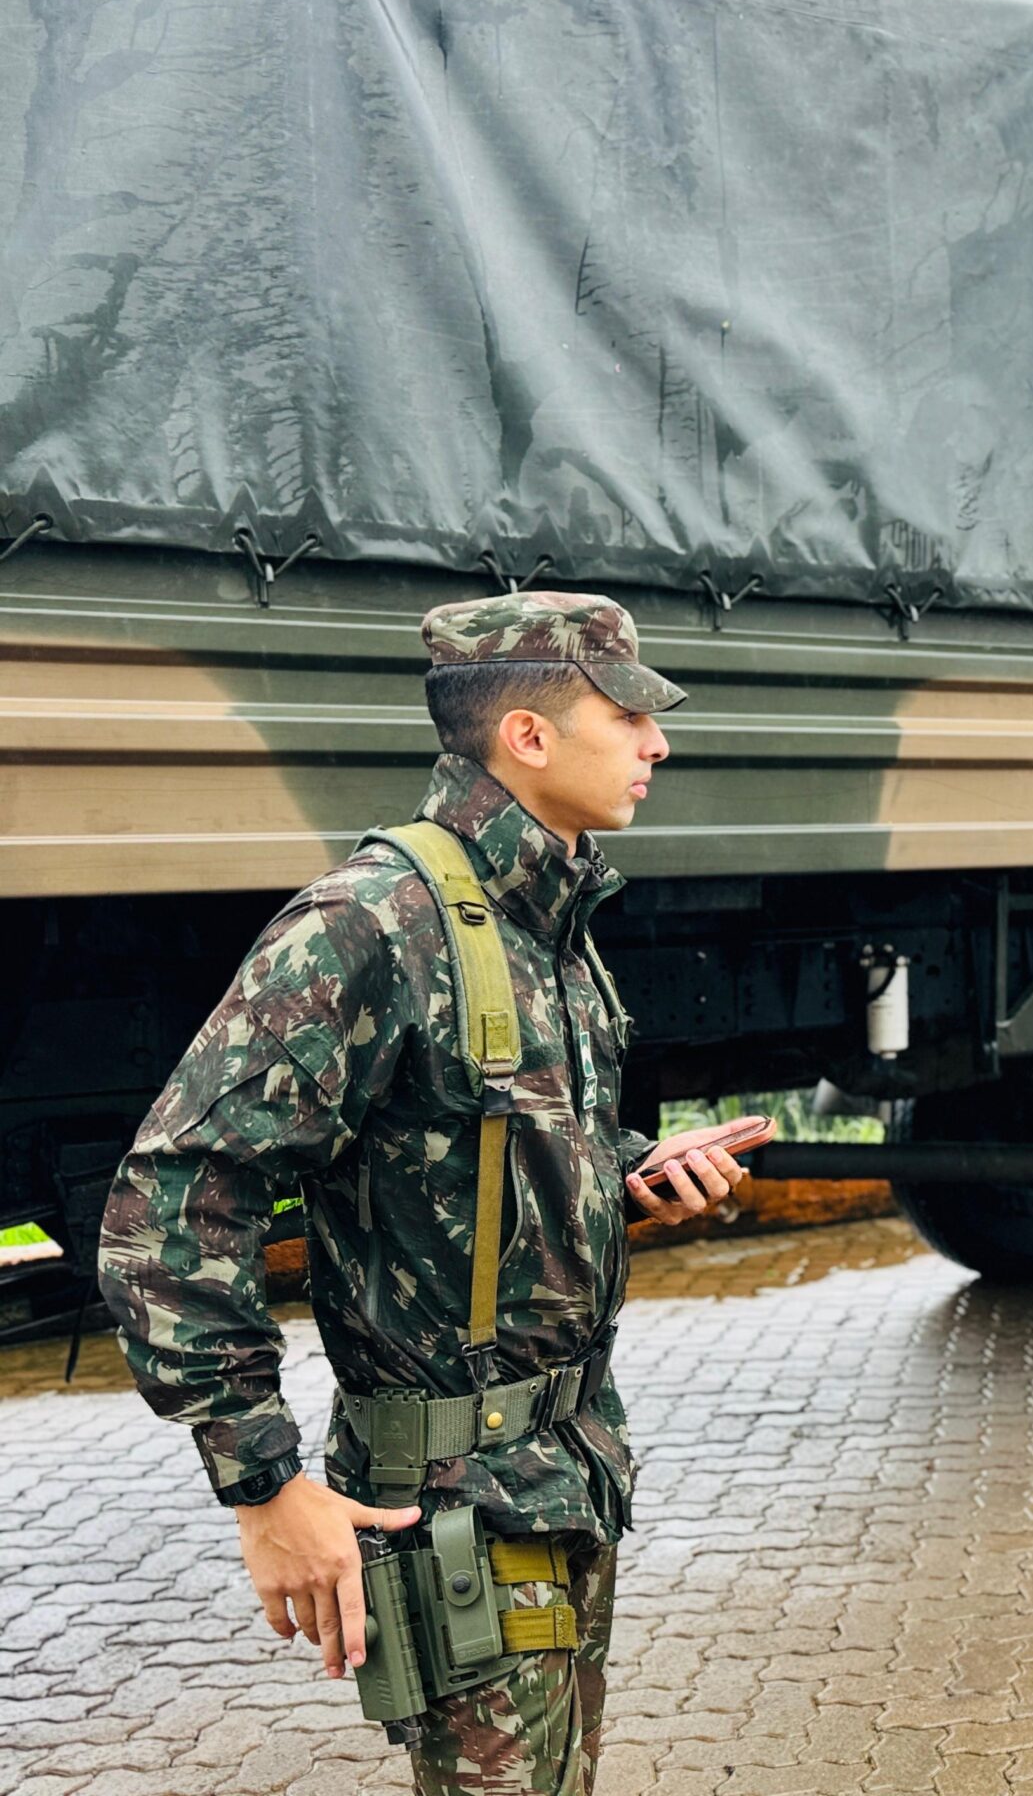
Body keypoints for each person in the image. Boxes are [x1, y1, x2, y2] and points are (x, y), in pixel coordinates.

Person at [96, 591, 762, 1794]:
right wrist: (263, 1486)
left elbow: (470, 1151)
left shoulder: (546, 916)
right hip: (455, 1508)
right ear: (529, 737)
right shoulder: (371, 925)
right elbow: (168, 1212)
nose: (657, 743)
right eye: (629, 715)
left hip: (564, 1475)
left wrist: (623, 1174)